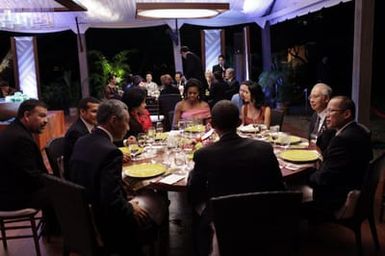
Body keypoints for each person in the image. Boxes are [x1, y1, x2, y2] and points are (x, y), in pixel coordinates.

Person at [187, 100, 285, 255]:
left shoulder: (204, 154)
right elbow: (278, 186)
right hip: (261, 213)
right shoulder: (264, 148)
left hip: (221, 216)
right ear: (239, 123)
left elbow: (194, 193)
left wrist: (192, 175)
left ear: (212, 125)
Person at [69, 99, 158, 255]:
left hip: (82, 215)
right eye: (126, 122)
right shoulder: (110, 152)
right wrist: (130, 206)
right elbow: (112, 201)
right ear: (114, 121)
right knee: (157, 200)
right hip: (106, 223)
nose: (128, 127)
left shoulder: (82, 141)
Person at [308, 96, 372, 215]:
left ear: (347, 114)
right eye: (326, 111)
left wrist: (306, 174)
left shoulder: (342, 140)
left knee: (291, 190)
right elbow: (323, 145)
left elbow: (323, 178)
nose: (327, 115)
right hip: (353, 185)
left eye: (331, 111)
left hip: (336, 197)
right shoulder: (358, 130)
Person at [0, 99, 49, 210]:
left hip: (11, 190)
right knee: (63, 194)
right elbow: (31, 177)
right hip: (12, 198)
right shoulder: (20, 138)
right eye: (41, 116)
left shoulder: (16, 130)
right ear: (27, 115)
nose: (46, 121)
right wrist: (56, 182)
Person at [63, 97, 100, 179]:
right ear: (82, 112)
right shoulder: (76, 132)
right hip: (79, 178)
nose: (98, 115)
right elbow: (86, 160)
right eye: (94, 111)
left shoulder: (94, 126)